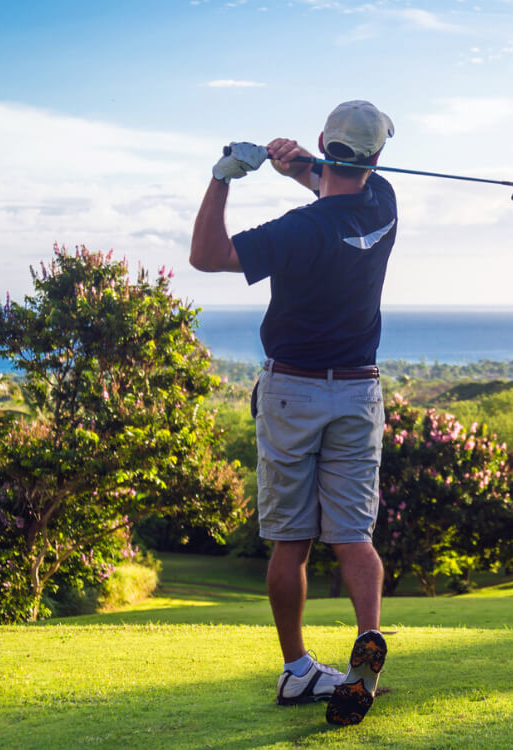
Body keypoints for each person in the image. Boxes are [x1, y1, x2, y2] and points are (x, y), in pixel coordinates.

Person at [189, 100, 397, 727]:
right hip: (359, 392)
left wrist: (224, 175)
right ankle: (366, 650)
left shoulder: (296, 231)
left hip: (293, 392)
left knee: (291, 540)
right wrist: (297, 166)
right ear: (378, 157)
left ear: (323, 142)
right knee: (353, 536)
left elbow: (207, 255)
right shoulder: (384, 202)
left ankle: (298, 670)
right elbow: (333, 182)